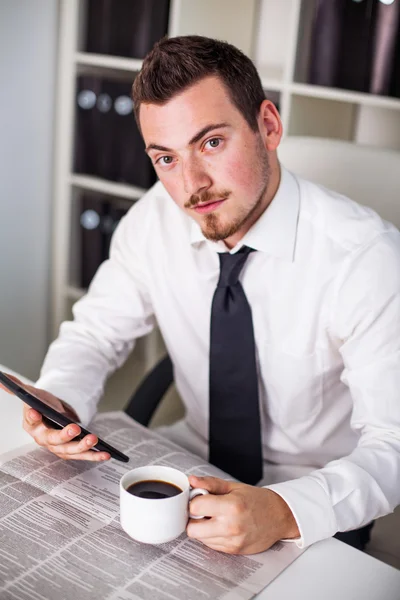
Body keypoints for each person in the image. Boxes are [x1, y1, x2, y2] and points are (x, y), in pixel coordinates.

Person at [5, 35, 400, 555]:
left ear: (268, 125)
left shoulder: (366, 257)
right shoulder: (155, 218)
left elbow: (392, 444)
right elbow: (96, 333)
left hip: (312, 494)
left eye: (211, 143)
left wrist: (283, 512)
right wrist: (62, 398)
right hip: (191, 462)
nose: (192, 184)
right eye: (165, 158)